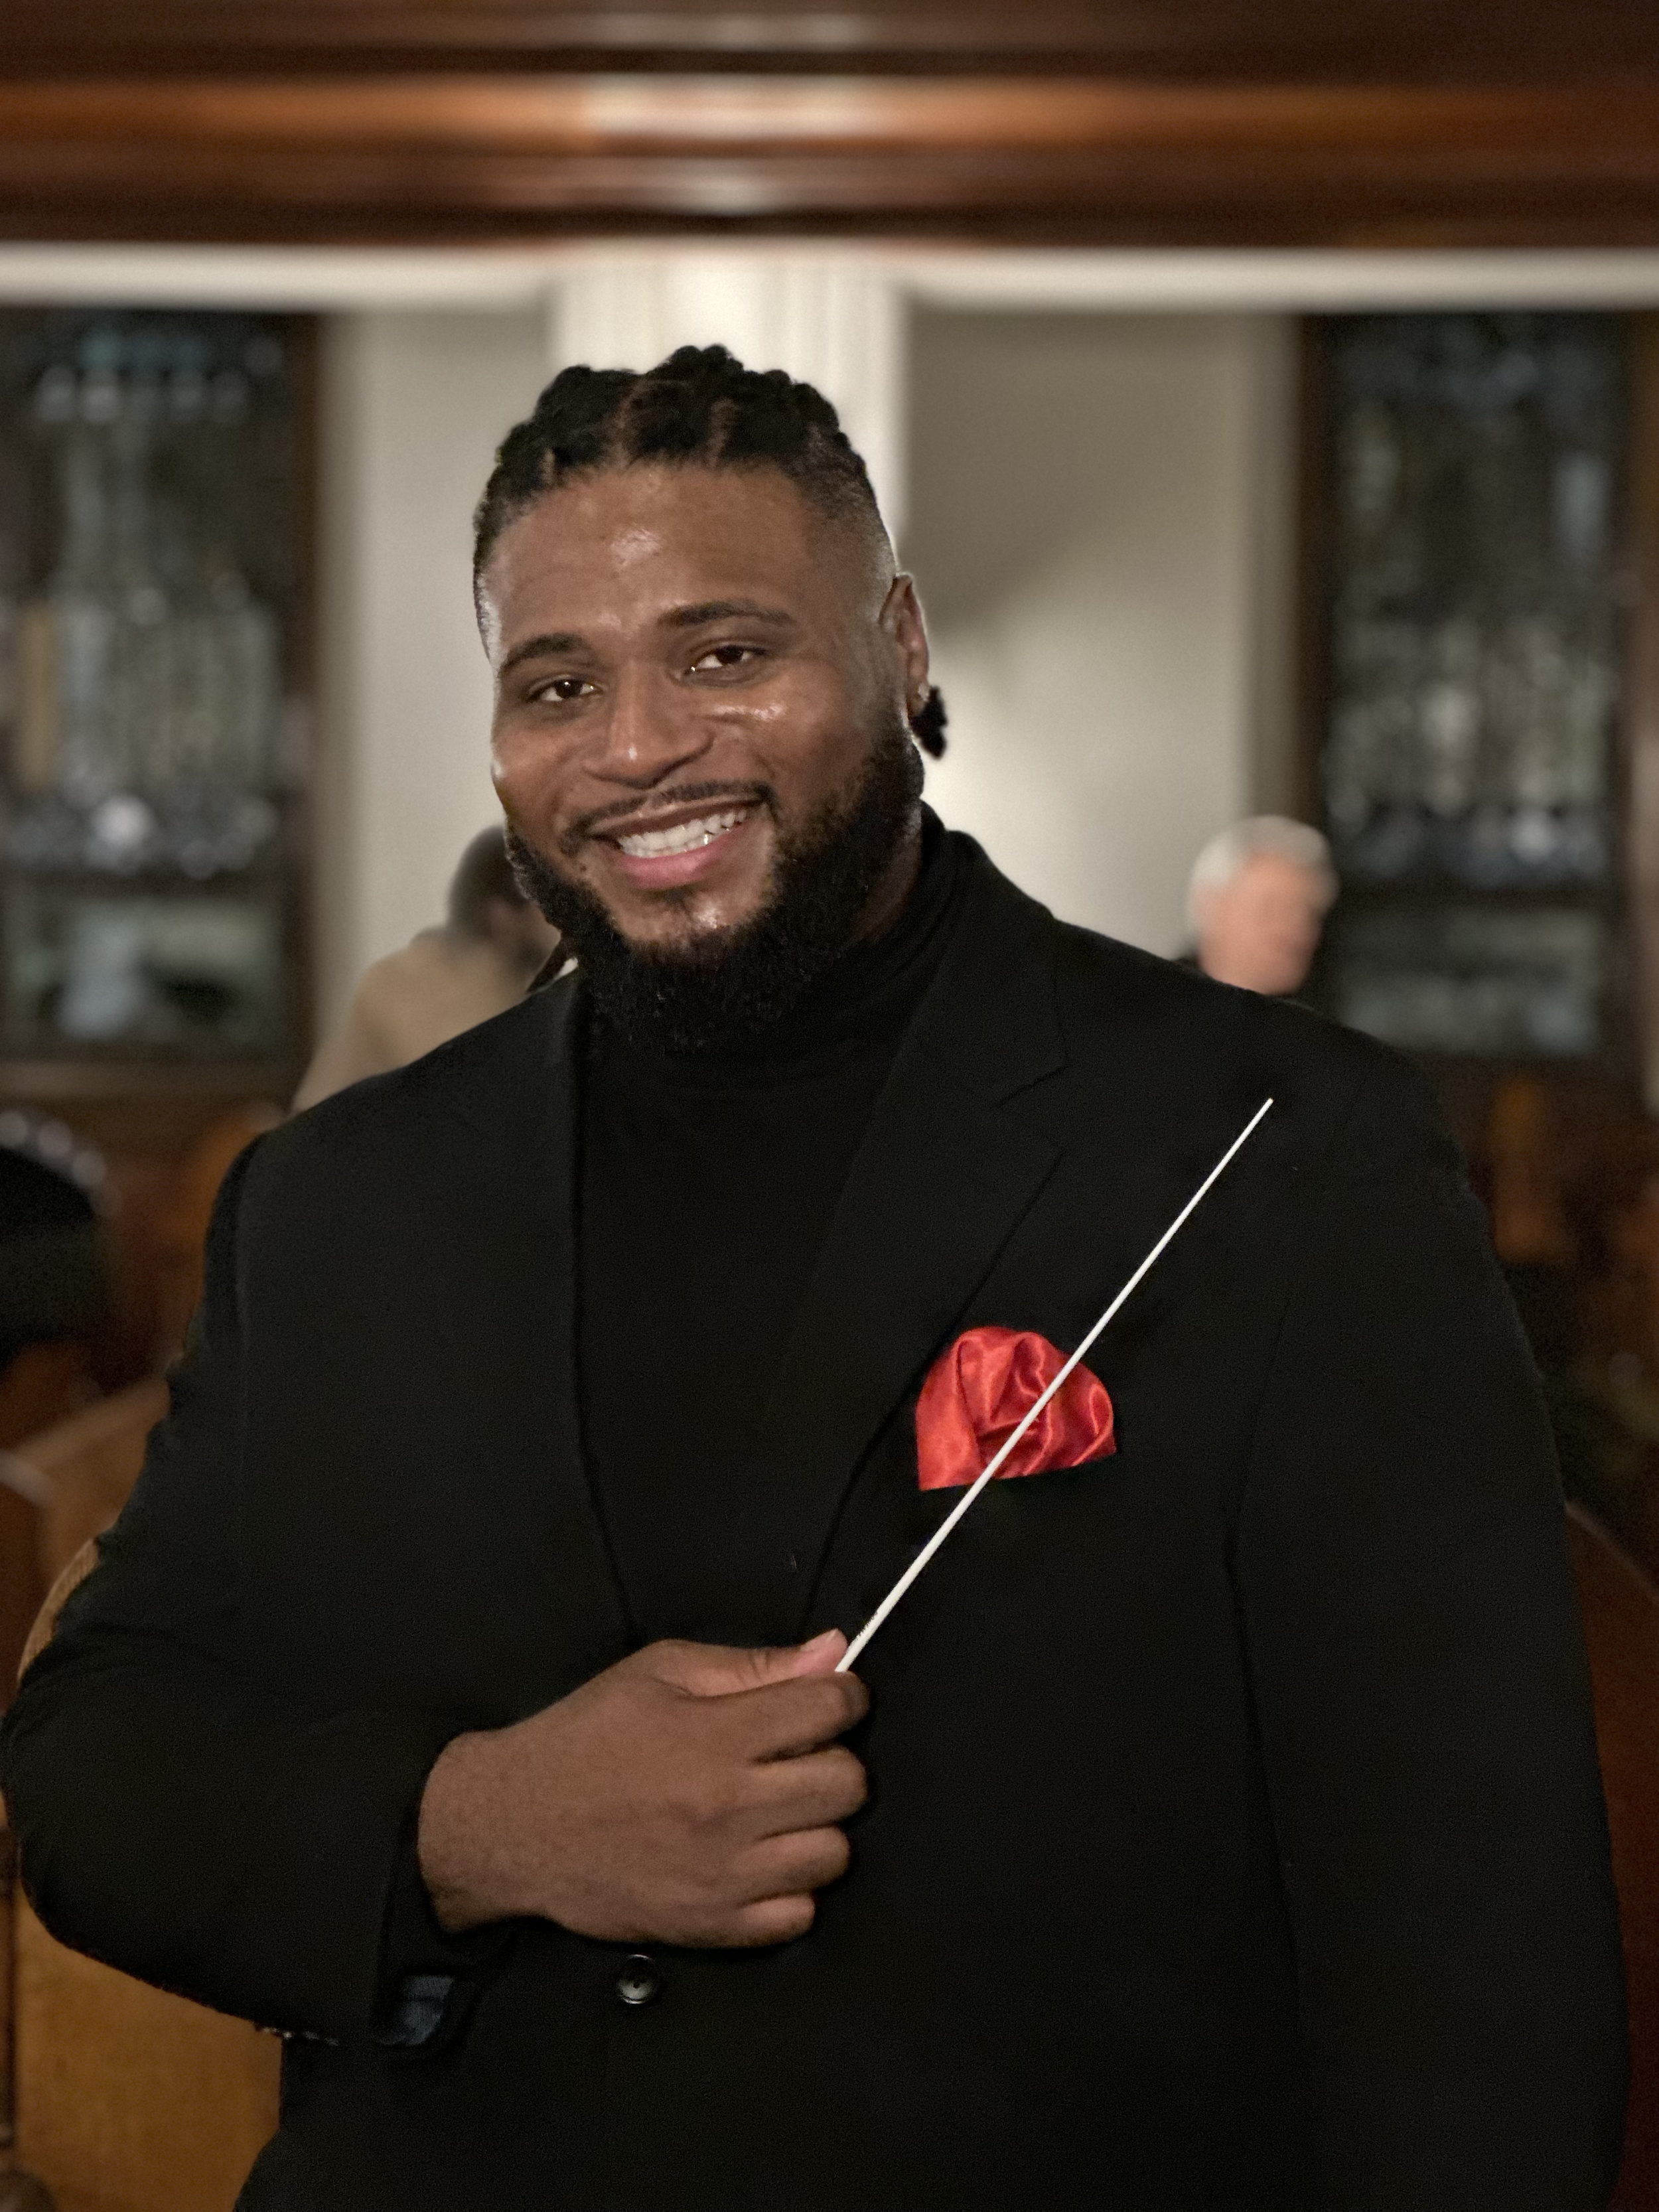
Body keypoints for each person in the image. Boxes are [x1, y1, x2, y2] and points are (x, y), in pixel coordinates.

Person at [0, 347, 1625, 2211]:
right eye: (556, 682)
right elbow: (99, 1765)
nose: (632, 746)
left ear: (901, 649)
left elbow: (1472, 1947)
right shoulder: (342, 1196)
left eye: (723, 652)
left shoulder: (1276, 1146)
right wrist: (476, 1824)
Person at [292, 826, 559, 1110]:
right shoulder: (425, 995)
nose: (560, 923)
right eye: (548, 905)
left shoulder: (525, 990)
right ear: (501, 916)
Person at [1187, 814, 1336, 997]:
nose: (1294, 931)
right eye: (1270, 909)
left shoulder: (1321, 1017)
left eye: (1309, 914)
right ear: (1211, 906)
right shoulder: (1152, 1001)